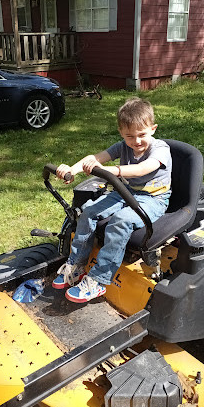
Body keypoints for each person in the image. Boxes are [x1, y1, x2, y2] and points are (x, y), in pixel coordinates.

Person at [53, 97, 172, 304]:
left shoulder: (160, 149)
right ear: (121, 133)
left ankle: (99, 280)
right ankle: (76, 265)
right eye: (129, 136)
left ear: (153, 129)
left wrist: (114, 171)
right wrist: (72, 170)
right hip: (126, 191)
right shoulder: (123, 146)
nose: (136, 141)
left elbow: (143, 168)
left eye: (142, 134)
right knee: (87, 211)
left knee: (121, 221)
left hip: (153, 198)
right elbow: (95, 159)